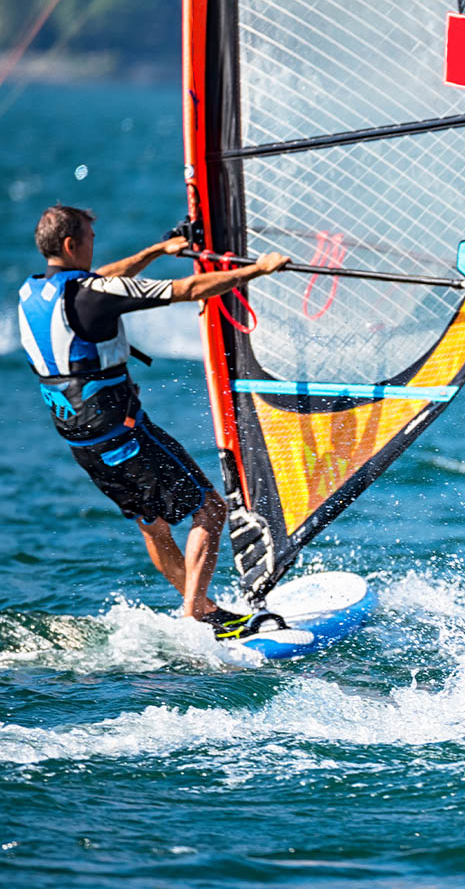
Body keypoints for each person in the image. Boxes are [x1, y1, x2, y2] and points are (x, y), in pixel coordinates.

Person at [17, 205, 289, 635]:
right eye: (89, 238)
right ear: (71, 244)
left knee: (153, 524)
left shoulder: (34, 292)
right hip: (123, 435)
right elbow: (190, 288)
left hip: (84, 444)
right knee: (210, 510)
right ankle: (196, 615)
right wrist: (258, 270)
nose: (93, 245)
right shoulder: (91, 296)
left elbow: (103, 278)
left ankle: (202, 608)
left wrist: (158, 250)